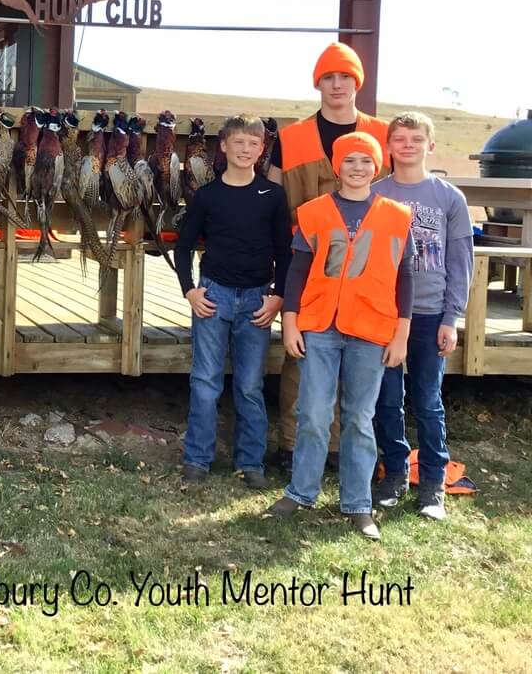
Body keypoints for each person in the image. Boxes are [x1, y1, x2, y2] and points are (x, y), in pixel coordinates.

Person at [267, 132, 414, 540]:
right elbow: (296, 273)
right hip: (320, 327)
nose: (357, 168)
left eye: (365, 161)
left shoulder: (397, 216)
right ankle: (300, 492)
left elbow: (405, 278)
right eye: (349, 160)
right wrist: (291, 322)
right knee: (313, 414)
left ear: (377, 166)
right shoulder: (314, 212)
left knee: (359, 419)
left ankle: (358, 504)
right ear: (337, 166)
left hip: (371, 329)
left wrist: (401, 334)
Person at [267, 42, 390, 471]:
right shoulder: (290, 138)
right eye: (328, 77)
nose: (337, 85)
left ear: (358, 83)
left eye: (345, 77)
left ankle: (346, 451)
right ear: (317, 83)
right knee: (301, 354)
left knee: (360, 355)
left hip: (367, 267)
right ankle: (292, 446)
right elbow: (273, 203)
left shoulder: (384, 135)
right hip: (307, 263)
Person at [174, 115, 292, 488]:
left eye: (253, 144)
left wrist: (278, 297)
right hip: (214, 295)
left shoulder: (272, 195)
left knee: (249, 384)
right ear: (223, 146)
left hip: (257, 300)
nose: (245, 149)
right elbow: (183, 246)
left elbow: (284, 251)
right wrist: (189, 290)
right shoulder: (208, 195)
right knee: (205, 381)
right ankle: (197, 458)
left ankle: (250, 461)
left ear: (261, 150)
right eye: (238, 142)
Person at [371, 112, 473, 521]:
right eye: (400, 139)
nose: (408, 146)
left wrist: (452, 317)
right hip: (385, 313)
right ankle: (395, 473)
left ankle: (433, 482)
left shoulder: (449, 197)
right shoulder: (375, 193)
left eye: (416, 139)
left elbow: (460, 261)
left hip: (431, 313)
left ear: (430, 146)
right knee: (387, 399)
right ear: (389, 146)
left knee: (429, 401)